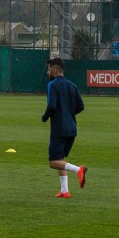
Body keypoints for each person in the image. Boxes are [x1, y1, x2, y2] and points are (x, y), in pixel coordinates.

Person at [42, 57, 88, 197]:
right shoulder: (72, 85)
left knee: (53, 162)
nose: (48, 72)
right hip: (72, 128)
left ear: (55, 70)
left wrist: (45, 116)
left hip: (59, 128)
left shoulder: (52, 84)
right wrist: (68, 113)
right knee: (60, 158)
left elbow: (51, 105)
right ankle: (64, 190)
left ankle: (78, 170)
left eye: (49, 69)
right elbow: (81, 106)